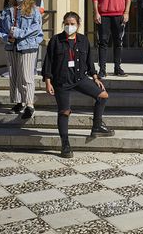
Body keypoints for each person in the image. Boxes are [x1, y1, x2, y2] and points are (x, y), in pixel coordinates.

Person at [43, 12, 114, 158]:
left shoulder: (83, 40)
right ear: (64, 24)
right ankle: (65, 144)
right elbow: (48, 62)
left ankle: (97, 126)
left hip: (79, 78)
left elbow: (89, 60)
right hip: (61, 81)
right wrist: (48, 81)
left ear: (78, 25)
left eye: (73, 24)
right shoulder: (56, 40)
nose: (70, 26)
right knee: (64, 111)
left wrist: (95, 77)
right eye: (67, 24)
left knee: (103, 96)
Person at [0, 0, 43, 119]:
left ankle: (29, 104)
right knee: (14, 75)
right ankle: (19, 102)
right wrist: (6, 37)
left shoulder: (33, 10)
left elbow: (36, 30)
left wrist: (18, 33)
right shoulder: (7, 10)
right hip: (11, 47)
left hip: (27, 46)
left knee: (26, 76)